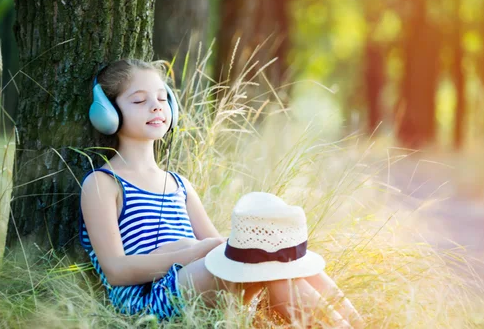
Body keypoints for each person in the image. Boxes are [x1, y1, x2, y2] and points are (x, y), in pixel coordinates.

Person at [79, 58, 363, 327]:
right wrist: (190, 252)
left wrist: (219, 249)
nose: (156, 107)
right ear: (108, 113)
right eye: (140, 100)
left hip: (197, 285)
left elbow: (215, 246)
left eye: (162, 98)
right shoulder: (103, 184)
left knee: (278, 260)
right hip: (148, 303)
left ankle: (359, 325)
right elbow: (116, 271)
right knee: (262, 258)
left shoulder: (180, 185)